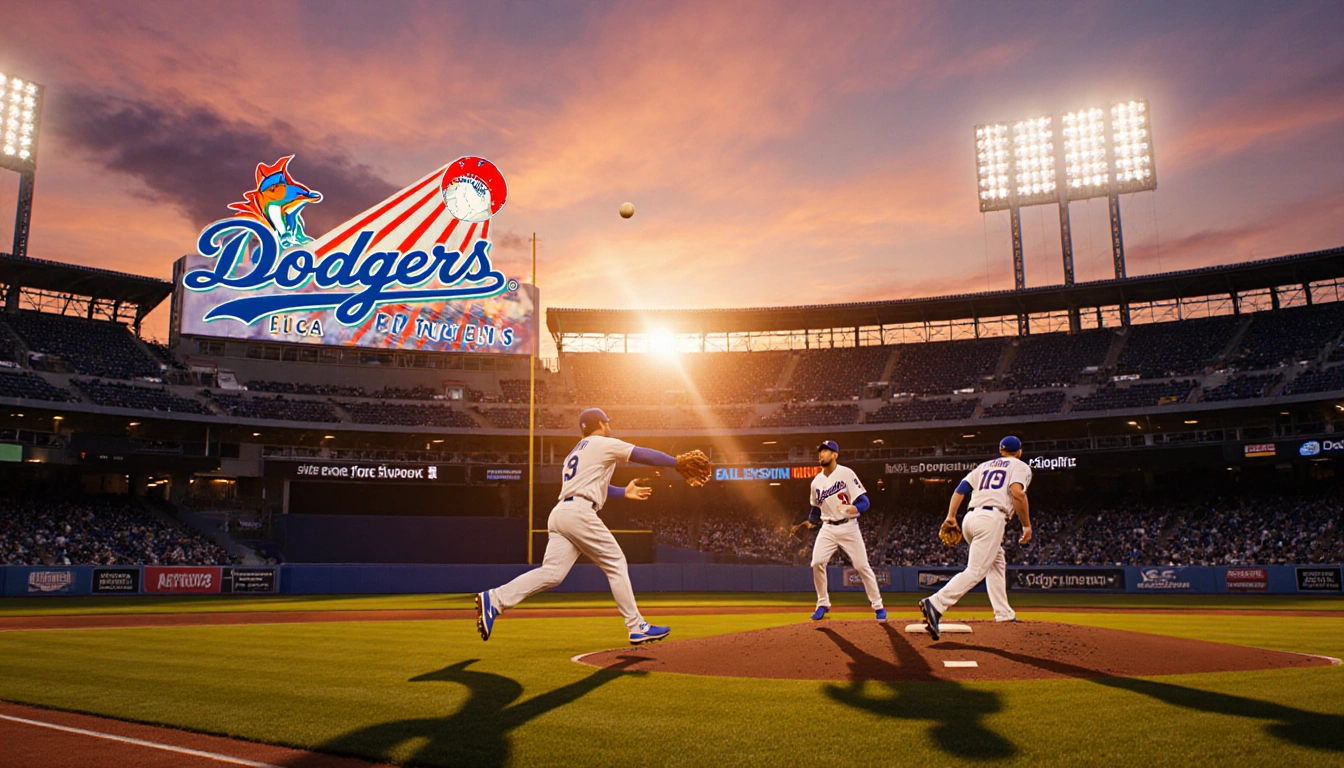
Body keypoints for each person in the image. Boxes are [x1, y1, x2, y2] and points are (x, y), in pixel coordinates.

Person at [476, 408, 683, 645]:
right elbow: (643, 454)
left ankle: (495, 599)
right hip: (579, 512)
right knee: (615, 562)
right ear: (603, 423)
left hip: (562, 513)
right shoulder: (602, 442)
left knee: (552, 574)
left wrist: (624, 491)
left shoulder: (575, 452)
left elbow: (594, 486)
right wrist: (676, 462)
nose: (610, 426)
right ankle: (636, 626)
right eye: (608, 422)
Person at [920, 435, 1033, 640]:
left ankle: (1004, 613)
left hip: (970, 519)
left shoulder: (984, 466)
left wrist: (951, 516)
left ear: (1001, 450)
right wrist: (1026, 525)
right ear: (1019, 452)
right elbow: (1017, 493)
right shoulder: (1020, 466)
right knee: (975, 571)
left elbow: (960, 490)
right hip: (991, 519)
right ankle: (935, 603)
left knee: (996, 562)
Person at [794, 440, 886, 621]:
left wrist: (856, 508)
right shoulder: (816, 482)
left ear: (835, 455)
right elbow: (815, 509)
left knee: (861, 566)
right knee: (817, 562)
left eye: (826, 451)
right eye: (820, 451)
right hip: (827, 527)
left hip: (849, 526)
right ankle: (822, 603)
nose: (822, 454)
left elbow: (864, 501)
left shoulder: (846, 473)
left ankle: (878, 606)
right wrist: (809, 522)